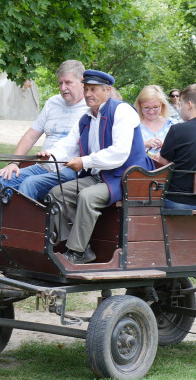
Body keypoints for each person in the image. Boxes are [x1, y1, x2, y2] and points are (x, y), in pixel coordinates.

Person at [44, 70, 155, 265]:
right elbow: (67, 145)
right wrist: (49, 156)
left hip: (126, 178)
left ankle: (75, 253)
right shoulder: (85, 118)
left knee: (87, 197)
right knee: (56, 194)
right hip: (101, 177)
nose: (88, 94)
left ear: (108, 90)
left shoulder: (122, 111)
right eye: (86, 89)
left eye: (93, 89)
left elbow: (119, 153)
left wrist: (85, 161)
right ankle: (80, 248)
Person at [0, 60, 88, 202]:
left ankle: (24, 223)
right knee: (1, 179)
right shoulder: (52, 103)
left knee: (30, 184)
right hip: (43, 166)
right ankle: (1, 221)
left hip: (69, 171)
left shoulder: (90, 108)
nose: (63, 88)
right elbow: (31, 135)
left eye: (68, 82)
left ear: (82, 82)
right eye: (60, 83)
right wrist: (13, 163)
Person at [134, 85, 173, 160]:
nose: (151, 112)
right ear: (139, 105)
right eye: (146, 107)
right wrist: (144, 144)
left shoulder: (171, 124)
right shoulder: (133, 125)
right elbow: (125, 149)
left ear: (162, 105)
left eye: (155, 107)